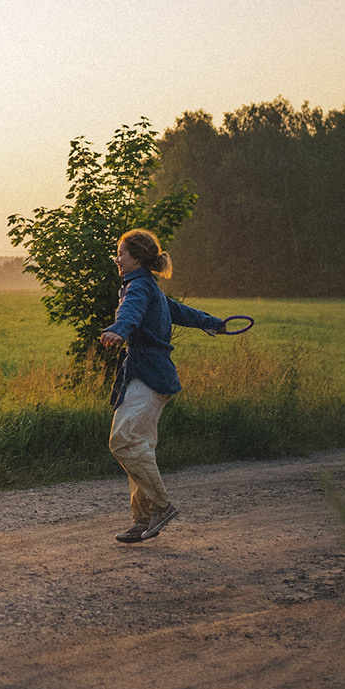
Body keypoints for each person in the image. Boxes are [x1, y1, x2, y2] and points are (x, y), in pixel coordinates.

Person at [97, 228, 226, 544]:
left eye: (122, 253)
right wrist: (212, 322)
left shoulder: (139, 287)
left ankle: (160, 506)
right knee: (138, 447)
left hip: (148, 376)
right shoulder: (148, 288)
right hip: (151, 376)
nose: (118, 258)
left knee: (123, 441)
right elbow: (181, 312)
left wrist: (119, 330)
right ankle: (142, 520)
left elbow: (131, 312)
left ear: (136, 258)